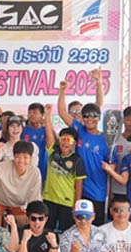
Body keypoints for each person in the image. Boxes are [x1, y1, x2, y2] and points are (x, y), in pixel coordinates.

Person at [57, 72, 108, 222]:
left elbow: (98, 104)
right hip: (78, 188)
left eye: (93, 115)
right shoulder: (80, 130)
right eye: (86, 116)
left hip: (98, 191)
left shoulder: (106, 139)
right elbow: (62, 112)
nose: (90, 119)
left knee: (95, 227)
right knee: (77, 225)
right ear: (82, 118)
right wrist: (62, 91)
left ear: (99, 117)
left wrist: (99, 82)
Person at [41, 104, 85, 232]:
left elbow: (79, 185)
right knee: (47, 231)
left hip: (67, 203)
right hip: (49, 200)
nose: (65, 142)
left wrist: (76, 204)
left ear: (74, 144)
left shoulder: (77, 160)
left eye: (69, 141)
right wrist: (47, 115)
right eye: (63, 139)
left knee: (67, 233)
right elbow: (49, 133)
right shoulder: (53, 152)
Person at [0, 140, 43, 226]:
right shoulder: (5, 166)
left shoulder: (35, 173)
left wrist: (29, 212)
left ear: (30, 158)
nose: (21, 160)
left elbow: (34, 198)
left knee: (29, 224)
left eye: (25, 157)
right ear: (13, 156)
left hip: (19, 204)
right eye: (18, 157)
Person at [107, 106, 131, 197]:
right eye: (128, 119)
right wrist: (110, 190)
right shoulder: (115, 140)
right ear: (123, 121)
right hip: (117, 188)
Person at [22, 103, 49, 181]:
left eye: (35, 113)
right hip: (26, 170)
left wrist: (47, 123)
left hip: (43, 168)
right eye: (29, 113)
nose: (31, 115)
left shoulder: (46, 130)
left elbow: (56, 141)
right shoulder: (23, 130)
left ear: (42, 115)